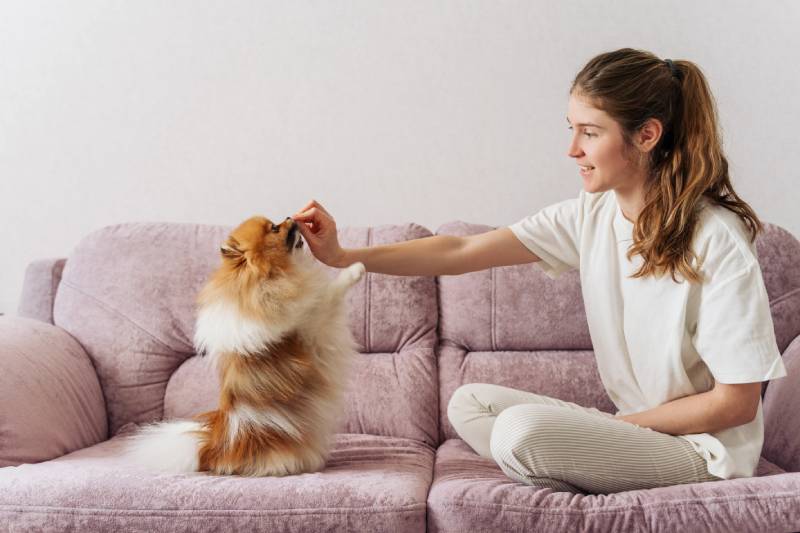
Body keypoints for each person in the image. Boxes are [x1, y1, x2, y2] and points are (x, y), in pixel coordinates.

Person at [289, 48, 787, 494]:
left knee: (518, 431)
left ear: (647, 135)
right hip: (635, 431)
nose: (573, 149)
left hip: (702, 454)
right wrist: (342, 255)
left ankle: (581, 459)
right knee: (470, 403)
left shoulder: (716, 240)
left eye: (589, 133)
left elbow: (737, 405)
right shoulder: (593, 214)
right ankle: (586, 461)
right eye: (571, 129)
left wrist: (623, 428)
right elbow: (461, 250)